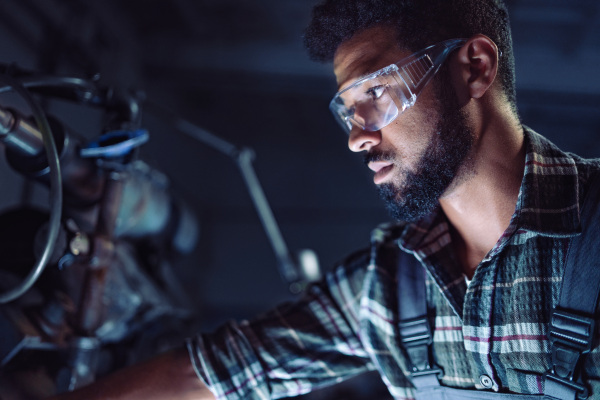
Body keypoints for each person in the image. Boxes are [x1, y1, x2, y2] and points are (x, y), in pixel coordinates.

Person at [51, 0, 600, 399]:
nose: (357, 136)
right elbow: (221, 370)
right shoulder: (387, 288)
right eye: (348, 108)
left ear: (474, 68)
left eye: (376, 94)